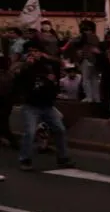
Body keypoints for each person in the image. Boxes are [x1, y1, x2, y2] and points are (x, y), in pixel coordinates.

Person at [14, 42, 74, 171]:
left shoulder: (49, 65)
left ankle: (63, 158)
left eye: (36, 51)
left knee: (60, 129)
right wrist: (26, 66)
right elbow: (17, 78)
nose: (33, 54)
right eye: (30, 51)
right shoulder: (25, 66)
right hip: (31, 106)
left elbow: (59, 65)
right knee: (29, 132)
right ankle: (25, 159)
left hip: (47, 105)